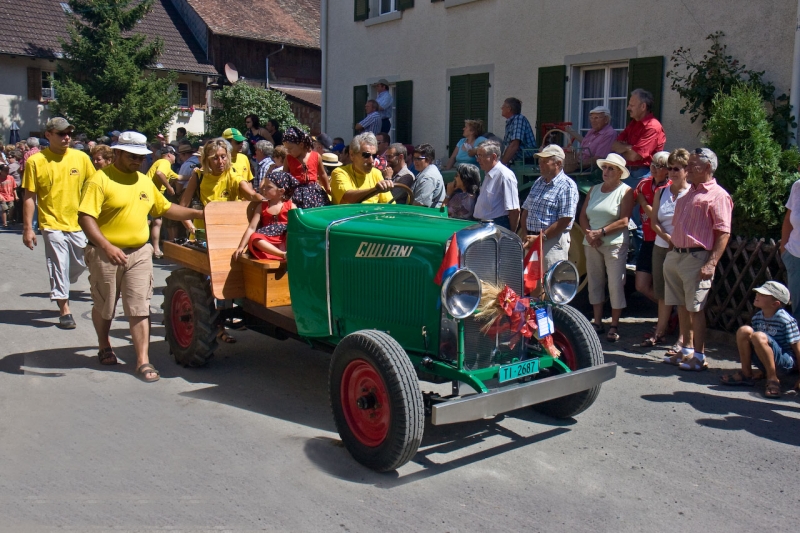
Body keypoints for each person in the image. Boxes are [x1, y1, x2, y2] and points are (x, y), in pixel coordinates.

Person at [78, 131, 203, 382]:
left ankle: (143, 360)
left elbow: (166, 208)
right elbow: (85, 218)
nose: (138, 161)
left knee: (139, 307)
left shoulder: (144, 182)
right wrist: (106, 246)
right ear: (118, 153)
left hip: (139, 252)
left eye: (141, 156)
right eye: (133, 156)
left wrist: (199, 214)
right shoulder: (99, 180)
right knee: (106, 307)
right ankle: (104, 344)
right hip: (105, 253)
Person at [22, 117, 95, 329]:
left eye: (69, 134)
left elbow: (94, 187)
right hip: (51, 223)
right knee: (58, 265)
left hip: (78, 223)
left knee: (79, 264)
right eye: (62, 134)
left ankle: (63, 284)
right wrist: (28, 229)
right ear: (48, 135)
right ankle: (65, 309)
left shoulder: (81, 158)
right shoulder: (35, 161)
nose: (67, 138)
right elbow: (29, 196)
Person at [663, 148, 732, 372]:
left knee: (696, 308)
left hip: (696, 256)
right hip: (677, 255)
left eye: (694, 164)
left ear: (708, 168)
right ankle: (686, 350)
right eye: (689, 163)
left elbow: (723, 232)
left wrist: (711, 263)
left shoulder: (718, 195)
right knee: (682, 306)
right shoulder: (689, 193)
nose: (689, 168)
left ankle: (700, 356)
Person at [579, 153, 634, 342]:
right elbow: (583, 215)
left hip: (614, 243)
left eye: (611, 168)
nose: (606, 171)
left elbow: (624, 220)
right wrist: (589, 234)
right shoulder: (594, 189)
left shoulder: (626, 191)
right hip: (591, 241)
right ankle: (597, 321)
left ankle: (614, 324)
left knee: (615, 283)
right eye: (605, 167)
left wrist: (600, 232)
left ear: (620, 172)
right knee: (595, 282)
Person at [611, 89, 666, 263]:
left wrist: (626, 149)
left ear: (643, 106)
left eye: (632, 104)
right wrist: (628, 149)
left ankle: (641, 262)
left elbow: (636, 156)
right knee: (627, 217)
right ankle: (635, 259)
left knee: (638, 220)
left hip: (643, 175)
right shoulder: (634, 124)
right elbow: (614, 145)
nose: (628, 108)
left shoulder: (652, 126)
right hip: (630, 173)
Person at [720, 282, 799, 398]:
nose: (757, 295)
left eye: (763, 295)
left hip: (784, 364)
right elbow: (758, 345)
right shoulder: (758, 317)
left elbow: (797, 348)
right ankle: (747, 373)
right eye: (758, 293)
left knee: (758, 336)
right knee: (744, 330)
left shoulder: (786, 320)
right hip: (763, 361)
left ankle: (773, 379)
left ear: (775, 303)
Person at [650, 149, 693, 353]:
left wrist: (676, 240)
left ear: (686, 170)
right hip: (661, 246)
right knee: (663, 293)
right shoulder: (661, 192)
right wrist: (667, 238)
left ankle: (683, 339)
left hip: (683, 249)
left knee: (682, 295)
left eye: (677, 169)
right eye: (670, 168)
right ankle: (659, 331)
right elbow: (654, 222)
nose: (672, 172)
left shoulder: (692, 193)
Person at [179, 138, 263, 235]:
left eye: (223, 157)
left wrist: (265, 200)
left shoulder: (232, 175)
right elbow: (182, 208)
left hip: (228, 233)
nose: (220, 162)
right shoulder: (198, 176)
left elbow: (251, 195)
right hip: (203, 234)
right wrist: (192, 229)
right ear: (207, 159)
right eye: (215, 158)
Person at [519, 145, 579, 276]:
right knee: (532, 285)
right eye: (539, 161)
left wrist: (541, 238)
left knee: (550, 284)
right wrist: (525, 234)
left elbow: (565, 220)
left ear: (558, 163)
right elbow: (526, 209)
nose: (540, 164)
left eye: (544, 161)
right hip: (531, 239)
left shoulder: (567, 186)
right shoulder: (538, 182)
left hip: (552, 242)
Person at [234, 171, 299, 262]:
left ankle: (290, 253)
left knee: (291, 232)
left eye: (269, 187)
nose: (264, 189)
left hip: (284, 239)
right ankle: (282, 254)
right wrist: (241, 247)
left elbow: (297, 226)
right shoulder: (262, 206)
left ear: (281, 191)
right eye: (264, 186)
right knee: (254, 238)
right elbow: (252, 228)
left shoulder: (290, 206)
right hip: (268, 240)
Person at [634, 151, 671, 306]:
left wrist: (643, 203)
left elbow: (656, 215)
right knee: (641, 285)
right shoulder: (643, 184)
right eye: (653, 164)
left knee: (661, 284)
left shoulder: (669, 188)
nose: (654, 168)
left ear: (668, 169)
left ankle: (669, 316)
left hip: (662, 240)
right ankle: (671, 312)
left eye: (660, 165)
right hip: (647, 239)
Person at [330, 132, 394, 204]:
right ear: (352, 155)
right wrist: (375, 190)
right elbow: (349, 197)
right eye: (366, 155)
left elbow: (389, 203)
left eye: (374, 156)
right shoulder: (340, 172)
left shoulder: (376, 173)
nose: (371, 161)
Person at [472, 140, 520, 230]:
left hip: (496, 226)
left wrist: (510, 236)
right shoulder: (488, 174)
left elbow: (514, 210)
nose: (478, 159)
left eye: (481, 156)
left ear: (493, 157)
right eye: (477, 155)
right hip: (483, 225)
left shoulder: (505, 175)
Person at [282, 126, 330, 209]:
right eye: (286, 149)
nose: (288, 151)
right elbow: (284, 177)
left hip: (315, 192)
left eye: (290, 148)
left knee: (317, 212)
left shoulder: (316, 156)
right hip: (296, 193)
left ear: (301, 145)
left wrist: (328, 188)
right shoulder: (288, 159)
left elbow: (322, 174)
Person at [146, 145, 179, 258]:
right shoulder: (165, 163)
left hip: (153, 195)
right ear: (169, 155)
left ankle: (156, 250)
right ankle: (139, 247)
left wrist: (196, 174)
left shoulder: (164, 165)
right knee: (148, 221)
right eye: (175, 155)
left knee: (157, 222)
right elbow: (159, 173)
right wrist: (169, 187)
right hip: (150, 195)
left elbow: (179, 177)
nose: (176, 157)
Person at [564, 105, 617, 171]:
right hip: (581, 166)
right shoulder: (591, 131)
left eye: (596, 118)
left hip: (592, 170)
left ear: (606, 119)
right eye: (591, 118)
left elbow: (599, 158)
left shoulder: (609, 133)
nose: (593, 121)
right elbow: (582, 151)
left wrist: (577, 165)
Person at [781, 175, 800, 324]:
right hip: (795, 255)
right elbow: (788, 220)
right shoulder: (797, 186)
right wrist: (784, 250)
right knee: (797, 309)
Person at [500, 97, 536, 165]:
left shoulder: (518, 119)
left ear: (509, 109)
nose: (501, 108)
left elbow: (514, 145)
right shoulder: (511, 121)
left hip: (527, 162)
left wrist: (502, 164)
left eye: (503, 106)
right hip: (519, 161)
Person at [410, 143, 446, 208]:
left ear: (428, 159)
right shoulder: (427, 170)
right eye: (414, 158)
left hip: (428, 215)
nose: (415, 161)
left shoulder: (427, 177)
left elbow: (420, 205)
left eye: (418, 159)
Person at [7, 150, 23, 224]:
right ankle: (17, 217)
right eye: (8, 157)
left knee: (15, 203)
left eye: (10, 157)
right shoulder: (16, 165)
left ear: (15, 157)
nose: (8, 159)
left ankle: (15, 217)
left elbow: (6, 172)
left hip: (15, 186)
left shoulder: (13, 166)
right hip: (17, 185)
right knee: (18, 203)